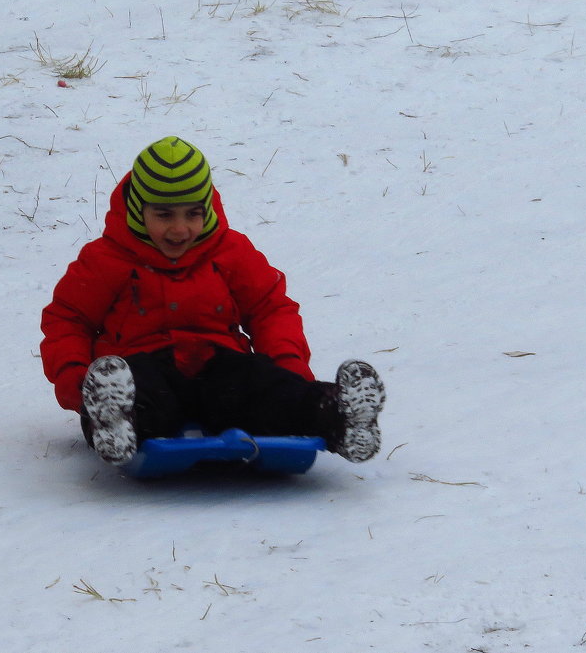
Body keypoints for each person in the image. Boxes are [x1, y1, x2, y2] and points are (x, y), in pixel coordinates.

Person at [40, 136, 385, 466]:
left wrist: (288, 369)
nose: (180, 229)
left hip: (218, 367)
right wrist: (78, 382)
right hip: (144, 371)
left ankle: (338, 417)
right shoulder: (107, 260)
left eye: (192, 214)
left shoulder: (230, 252)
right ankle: (112, 418)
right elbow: (69, 320)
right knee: (139, 396)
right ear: (136, 210)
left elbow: (270, 309)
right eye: (164, 215)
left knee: (263, 387)